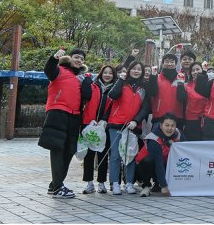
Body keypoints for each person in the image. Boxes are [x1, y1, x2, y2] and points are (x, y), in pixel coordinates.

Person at [40, 47, 92, 199]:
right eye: (76, 57)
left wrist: (87, 81)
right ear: (70, 58)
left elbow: (87, 96)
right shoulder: (59, 70)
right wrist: (54, 57)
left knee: (69, 150)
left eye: (82, 59)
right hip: (58, 112)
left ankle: (56, 184)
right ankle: (58, 187)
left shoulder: (81, 78)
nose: (79, 60)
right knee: (57, 148)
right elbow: (48, 70)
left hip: (75, 115)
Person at [108, 60, 149, 195]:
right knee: (115, 155)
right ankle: (115, 183)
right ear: (129, 70)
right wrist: (120, 80)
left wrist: (136, 121)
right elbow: (112, 95)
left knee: (130, 154)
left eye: (139, 69)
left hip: (133, 126)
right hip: (116, 124)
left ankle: (129, 183)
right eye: (134, 68)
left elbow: (145, 108)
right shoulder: (122, 83)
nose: (136, 71)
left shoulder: (143, 88)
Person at [81, 64, 115, 194]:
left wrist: (105, 120)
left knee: (102, 155)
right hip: (89, 124)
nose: (107, 75)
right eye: (105, 72)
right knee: (88, 155)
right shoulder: (93, 86)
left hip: (104, 126)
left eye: (110, 73)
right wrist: (87, 79)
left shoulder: (114, 90)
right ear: (101, 74)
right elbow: (85, 97)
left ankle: (101, 183)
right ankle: (89, 183)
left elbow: (113, 107)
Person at [135, 114, 183, 197]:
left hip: (164, 163)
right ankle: (146, 186)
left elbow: (185, 150)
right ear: (161, 126)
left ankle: (158, 184)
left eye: (172, 126)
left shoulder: (178, 133)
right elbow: (158, 163)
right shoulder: (153, 139)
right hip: (144, 167)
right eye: (167, 125)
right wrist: (164, 186)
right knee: (148, 161)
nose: (170, 128)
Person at [145, 53, 186, 127]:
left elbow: (183, 98)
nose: (169, 64)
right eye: (166, 61)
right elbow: (151, 93)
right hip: (159, 117)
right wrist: (152, 77)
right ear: (163, 64)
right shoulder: (156, 78)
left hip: (177, 117)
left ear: (176, 64)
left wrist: (181, 84)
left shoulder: (181, 78)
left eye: (172, 61)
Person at [183, 62, 206, 141]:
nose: (195, 72)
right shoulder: (186, 86)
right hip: (191, 120)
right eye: (193, 70)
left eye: (197, 69)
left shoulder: (208, 84)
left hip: (205, 120)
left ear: (202, 70)